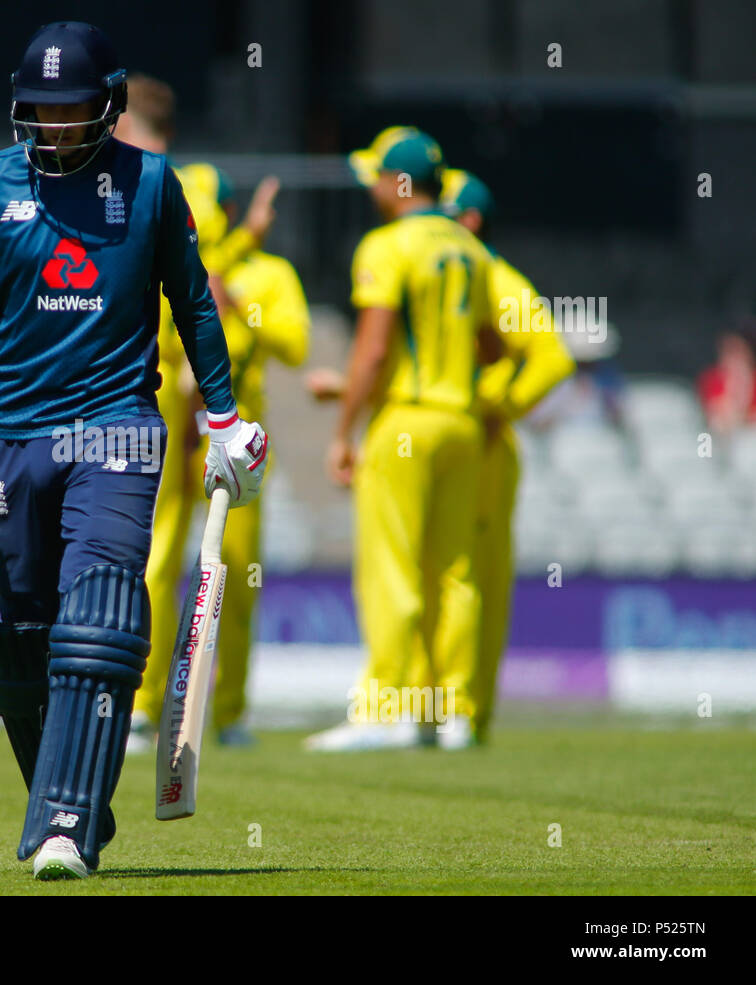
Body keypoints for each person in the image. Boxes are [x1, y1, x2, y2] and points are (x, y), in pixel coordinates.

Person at [0, 21, 269, 879]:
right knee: (33, 634)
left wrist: (222, 417)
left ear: (108, 106)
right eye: (41, 110)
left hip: (117, 427)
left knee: (99, 610)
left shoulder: (150, 186)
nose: (56, 127)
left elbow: (196, 302)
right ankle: (76, 806)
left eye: (72, 111)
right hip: (14, 434)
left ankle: (59, 824)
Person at [301, 127, 493, 753]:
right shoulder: (469, 248)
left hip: (406, 421)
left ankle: (388, 708)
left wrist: (343, 429)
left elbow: (374, 347)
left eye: (378, 177)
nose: (374, 189)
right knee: (456, 573)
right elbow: (493, 344)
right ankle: (454, 711)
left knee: (393, 570)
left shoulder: (387, 245)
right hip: (462, 421)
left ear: (399, 183)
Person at [133, 164, 308, 750]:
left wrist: (238, 314)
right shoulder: (163, 264)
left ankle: (229, 713)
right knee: (155, 566)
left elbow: (296, 343)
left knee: (235, 578)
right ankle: (142, 705)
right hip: (170, 433)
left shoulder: (269, 273)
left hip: (235, 446)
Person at [436, 168, 574, 746]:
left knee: (468, 573)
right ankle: (447, 709)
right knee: (449, 573)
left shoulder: (494, 277)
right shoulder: (455, 273)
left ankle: (464, 711)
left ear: (469, 221)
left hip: (485, 447)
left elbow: (552, 357)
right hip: (460, 438)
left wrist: (500, 406)